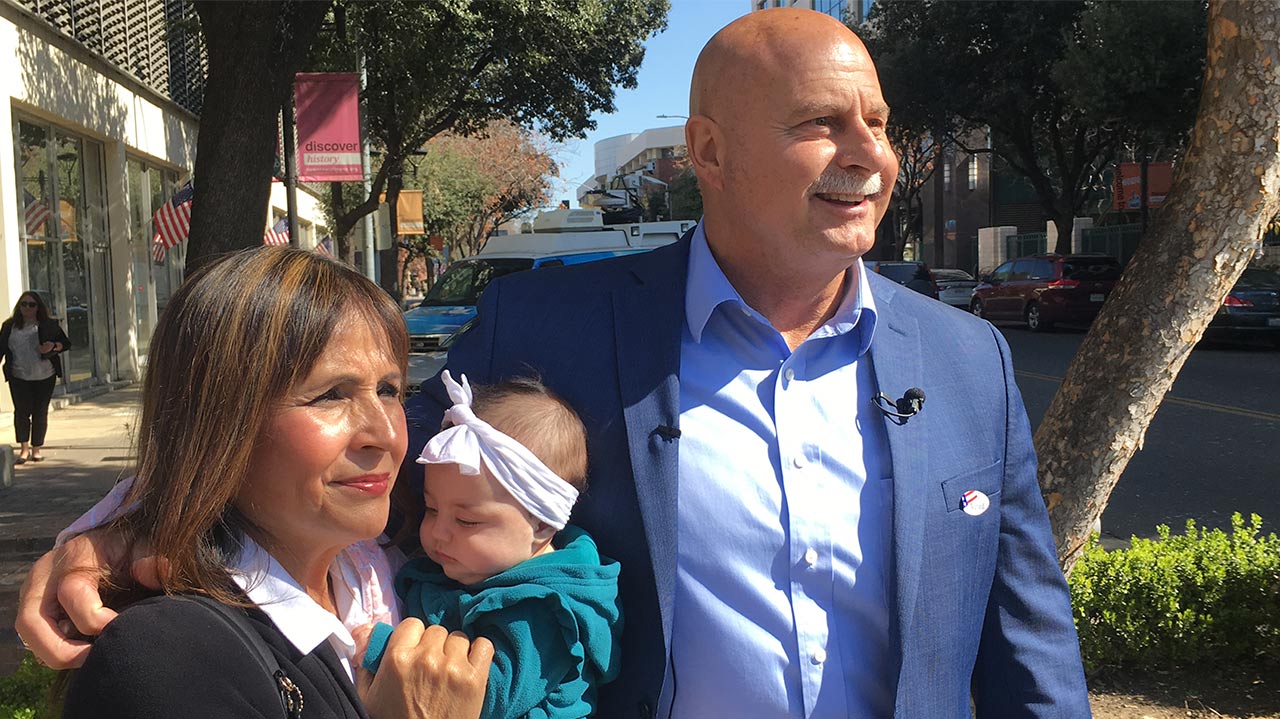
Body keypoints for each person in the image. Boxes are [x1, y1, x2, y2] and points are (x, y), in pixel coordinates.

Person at [18, 9, 1091, 718]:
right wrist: (126, 528)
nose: (868, 153)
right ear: (707, 153)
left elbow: (1024, 633)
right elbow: (354, 480)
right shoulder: (551, 329)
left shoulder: (963, 359)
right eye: (820, 124)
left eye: (877, 122)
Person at [58, 247, 491, 719]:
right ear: (219, 424)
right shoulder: (169, 660)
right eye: (330, 395)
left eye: (389, 390)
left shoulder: (393, 559)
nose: (386, 434)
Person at [362, 370, 622, 719]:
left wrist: (378, 649)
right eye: (432, 508)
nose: (438, 531)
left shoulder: (545, 611)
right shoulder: (476, 567)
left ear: (542, 524)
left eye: (467, 520)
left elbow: (487, 695)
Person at [0, 291, 70, 464]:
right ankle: (24, 449)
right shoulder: (10, 326)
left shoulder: (48, 325)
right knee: (21, 412)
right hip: (18, 375)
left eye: (32, 305)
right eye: (24, 304)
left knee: (40, 412)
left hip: (44, 375)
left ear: (38, 307)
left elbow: (66, 344)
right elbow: (1, 347)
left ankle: (36, 449)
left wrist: (53, 346)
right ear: (19, 306)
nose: (27, 308)